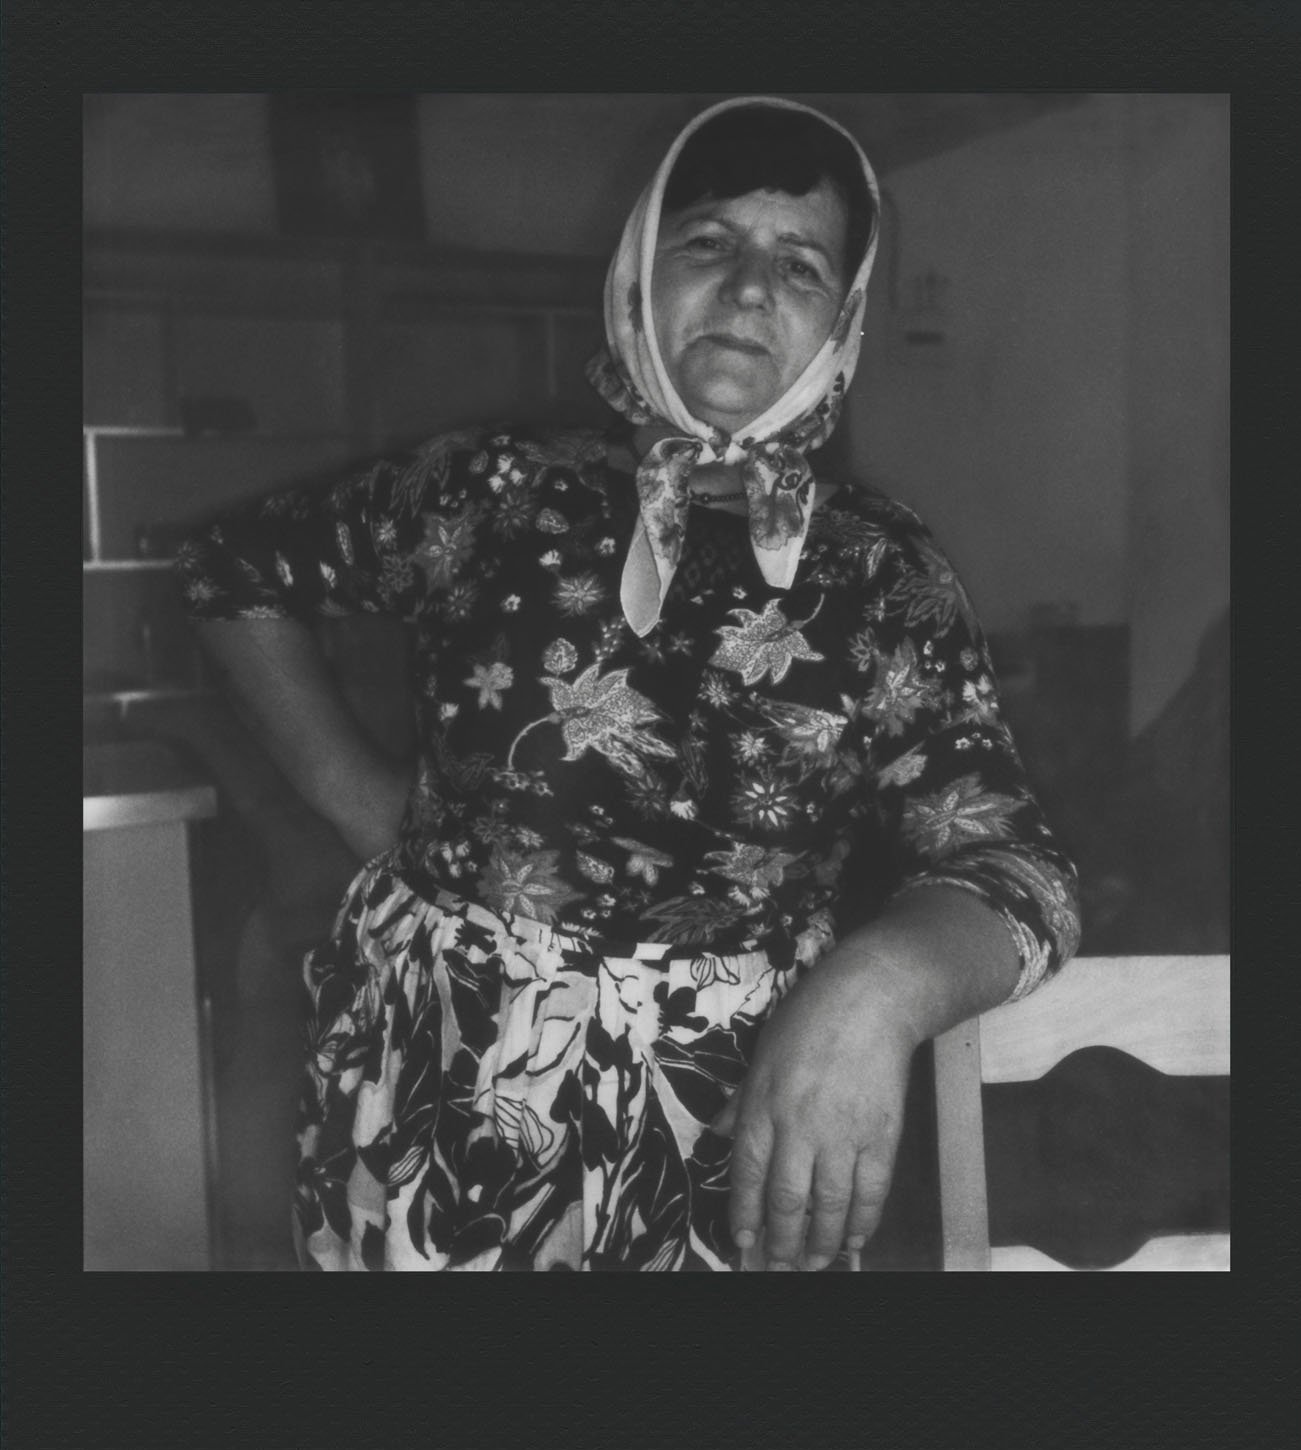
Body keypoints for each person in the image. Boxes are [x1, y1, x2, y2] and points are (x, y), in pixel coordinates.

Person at [179, 96, 1080, 1272]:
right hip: (448, 1100)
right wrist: (357, 792)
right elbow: (234, 569)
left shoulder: (881, 573)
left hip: (732, 1131)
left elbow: (1022, 872)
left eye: (800, 263)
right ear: (639, 272)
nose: (752, 287)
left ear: (843, 321)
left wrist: (879, 988)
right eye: (707, 242)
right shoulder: (495, 491)